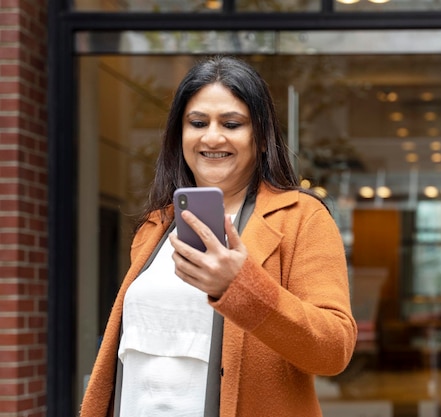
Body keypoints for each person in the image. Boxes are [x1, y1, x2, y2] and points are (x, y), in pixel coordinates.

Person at [80, 55, 357, 417]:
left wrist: (241, 286)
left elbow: (333, 350)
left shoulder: (301, 218)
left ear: (260, 138)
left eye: (232, 123)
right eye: (197, 122)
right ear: (180, 136)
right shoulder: (156, 226)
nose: (212, 136)